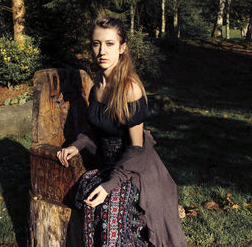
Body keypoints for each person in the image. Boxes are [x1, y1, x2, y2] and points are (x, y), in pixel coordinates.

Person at [57, 16, 187, 247]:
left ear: (122, 48)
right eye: (96, 43)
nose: (102, 51)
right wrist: (76, 146)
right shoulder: (97, 85)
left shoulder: (130, 88)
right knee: (89, 199)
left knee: (110, 206)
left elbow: (136, 148)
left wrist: (110, 185)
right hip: (108, 164)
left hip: (136, 169)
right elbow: (95, 130)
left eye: (109, 44)